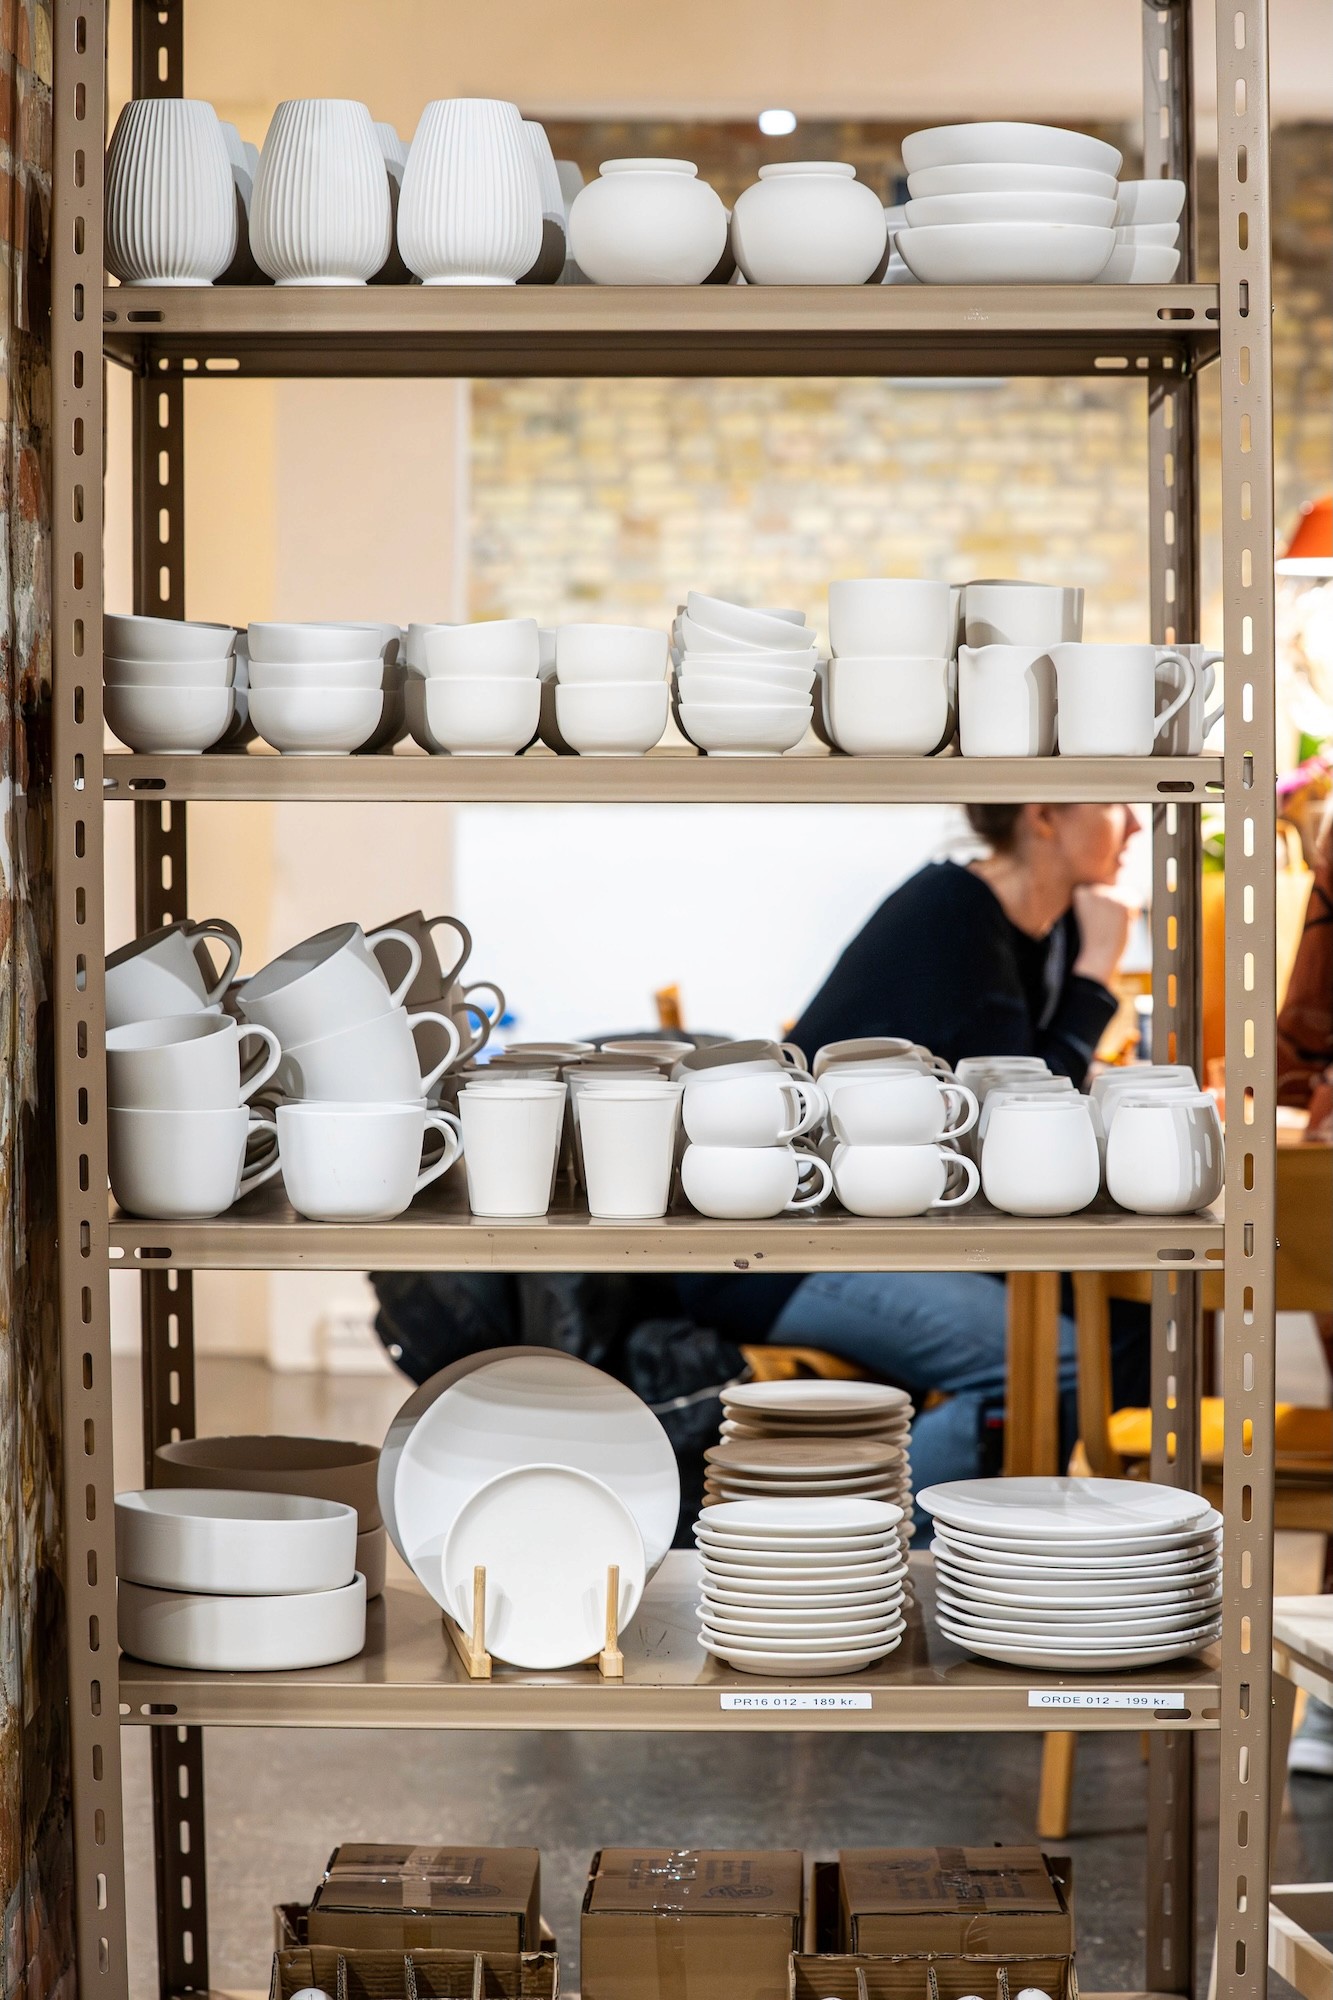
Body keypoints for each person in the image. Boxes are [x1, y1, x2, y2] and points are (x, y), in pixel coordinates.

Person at [676, 802, 1145, 1517]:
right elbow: (1015, 1118)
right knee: (1057, 1360)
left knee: (1123, 1337)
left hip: (864, 1232)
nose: (1136, 826)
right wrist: (1093, 975)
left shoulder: (1027, 931)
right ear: (1044, 815)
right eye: (1116, 804)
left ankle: (986, 1554)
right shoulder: (951, 917)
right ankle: (912, 1562)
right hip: (787, 1249)